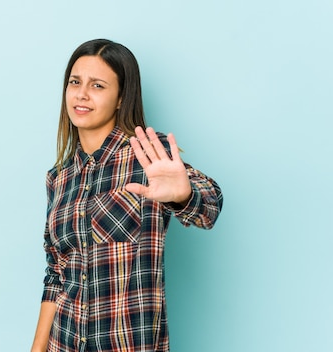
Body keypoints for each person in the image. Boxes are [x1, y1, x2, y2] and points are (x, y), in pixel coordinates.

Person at [31, 39, 223, 352]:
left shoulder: (149, 157)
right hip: (62, 343)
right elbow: (56, 273)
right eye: (75, 82)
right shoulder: (59, 179)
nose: (81, 94)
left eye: (98, 85)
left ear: (121, 98)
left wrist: (184, 194)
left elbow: (210, 206)